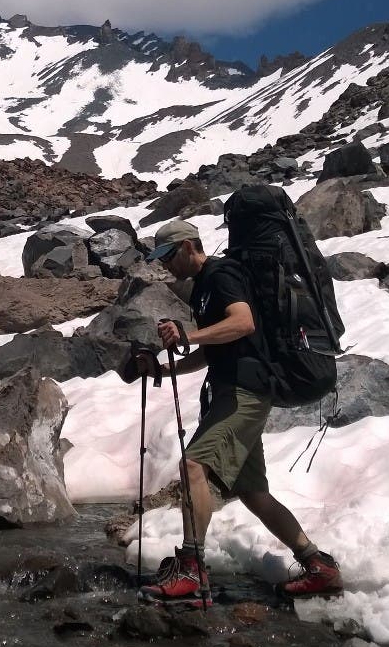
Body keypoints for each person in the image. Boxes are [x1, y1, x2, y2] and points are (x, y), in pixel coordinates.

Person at [136, 219, 341, 606]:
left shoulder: (221, 274)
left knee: (193, 467)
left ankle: (191, 571)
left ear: (186, 247)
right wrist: (164, 370)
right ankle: (318, 566)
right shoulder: (203, 288)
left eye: (167, 257)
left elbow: (242, 323)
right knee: (252, 492)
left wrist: (187, 333)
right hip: (236, 388)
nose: (165, 267)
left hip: (244, 392)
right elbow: (217, 348)